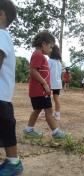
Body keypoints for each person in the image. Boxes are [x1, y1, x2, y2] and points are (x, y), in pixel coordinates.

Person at [23, 31, 67, 140]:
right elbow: (33, 71)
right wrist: (44, 84)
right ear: (43, 44)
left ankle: (28, 130)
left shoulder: (39, 55)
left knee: (37, 110)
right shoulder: (38, 55)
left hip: (38, 91)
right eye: (50, 47)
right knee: (48, 110)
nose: (51, 50)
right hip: (40, 90)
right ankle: (56, 132)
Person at [0, 0, 24, 174]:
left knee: (6, 130)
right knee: (5, 129)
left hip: (0, 96)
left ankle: (14, 163)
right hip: (2, 96)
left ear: (1, 14)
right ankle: (13, 162)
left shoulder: (0, 35)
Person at [48, 45, 62, 121]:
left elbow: (47, 72)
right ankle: (57, 114)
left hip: (50, 83)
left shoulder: (49, 61)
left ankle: (45, 112)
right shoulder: (59, 62)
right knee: (56, 99)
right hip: (57, 83)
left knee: (47, 98)